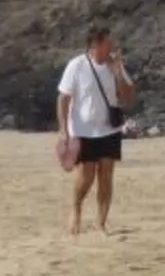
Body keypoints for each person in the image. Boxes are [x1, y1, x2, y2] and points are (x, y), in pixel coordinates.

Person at [56, 27, 136, 236]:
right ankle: (76, 208)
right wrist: (63, 130)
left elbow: (128, 97)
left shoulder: (114, 65)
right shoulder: (77, 65)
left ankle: (101, 222)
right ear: (95, 45)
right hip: (83, 129)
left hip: (109, 128)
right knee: (86, 175)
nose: (111, 46)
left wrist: (118, 72)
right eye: (107, 43)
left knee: (106, 175)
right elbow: (63, 98)